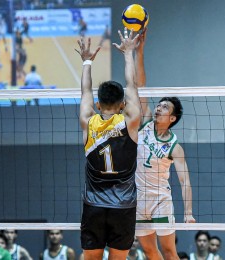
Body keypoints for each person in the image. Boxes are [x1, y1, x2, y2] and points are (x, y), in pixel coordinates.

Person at [75, 27, 141, 260]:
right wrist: (127, 53)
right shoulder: (131, 122)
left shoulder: (87, 122)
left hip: (94, 206)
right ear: (122, 104)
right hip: (123, 207)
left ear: (98, 104)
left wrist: (87, 62)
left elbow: (84, 92)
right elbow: (132, 86)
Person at [134, 28, 195, 260]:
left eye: (165, 107)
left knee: (169, 251)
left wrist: (188, 212)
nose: (159, 108)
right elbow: (139, 86)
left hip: (161, 199)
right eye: (159, 105)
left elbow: (184, 180)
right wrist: (139, 50)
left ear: (172, 119)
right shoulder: (145, 123)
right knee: (149, 251)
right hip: (139, 199)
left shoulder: (174, 146)